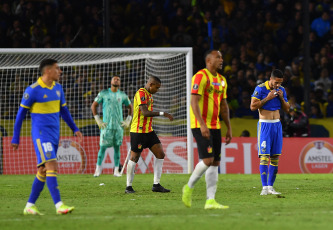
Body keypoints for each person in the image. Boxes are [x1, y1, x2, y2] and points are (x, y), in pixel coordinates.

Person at [11, 59, 83, 215]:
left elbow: (64, 111)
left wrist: (75, 128)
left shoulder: (58, 88)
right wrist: (15, 137)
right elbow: (20, 115)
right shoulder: (33, 90)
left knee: (43, 170)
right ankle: (59, 205)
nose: (60, 71)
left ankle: (29, 206)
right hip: (41, 135)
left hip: (54, 135)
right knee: (51, 165)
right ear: (48, 71)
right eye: (57, 68)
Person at [182, 49, 232, 210]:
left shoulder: (222, 80)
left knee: (215, 163)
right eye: (218, 57)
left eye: (222, 57)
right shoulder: (200, 76)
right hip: (199, 125)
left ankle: (210, 200)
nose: (221, 59)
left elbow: (224, 106)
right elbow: (194, 102)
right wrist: (202, 124)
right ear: (208, 61)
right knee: (207, 160)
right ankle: (188, 187)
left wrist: (229, 128)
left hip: (215, 126)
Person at [125, 76, 173, 193]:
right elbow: (145, 113)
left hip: (149, 131)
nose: (157, 90)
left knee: (160, 153)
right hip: (138, 131)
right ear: (150, 84)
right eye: (157, 88)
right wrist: (163, 113)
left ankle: (156, 185)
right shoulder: (141, 93)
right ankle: (128, 186)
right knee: (134, 157)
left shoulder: (150, 95)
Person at [250, 69, 290, 195]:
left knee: (275, 157)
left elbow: (287, 109)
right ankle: (264, 188)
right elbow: (252, 106)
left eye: (280, 83)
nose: (278, 85)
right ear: (271, 79)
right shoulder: (260, 88)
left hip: (277, 125)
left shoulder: (281, 90)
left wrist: (282, 99)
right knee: (264, 157)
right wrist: (267, 98)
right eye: (276, 82)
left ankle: (271, 187)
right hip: (265, 125)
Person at [92, 76, 132, 177]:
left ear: (120, 82)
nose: (116, 80)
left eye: (118, 79)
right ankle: (97, 170)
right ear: (111, 81)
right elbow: (94, 105)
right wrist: (98, 119)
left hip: (118, 127)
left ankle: (116, 171)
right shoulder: (104, 93)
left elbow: (130, 107)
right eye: (114, 79)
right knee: (102, 148)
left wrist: (128, 120)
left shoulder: (122, 95)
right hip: (106, 126)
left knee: (117, 148)